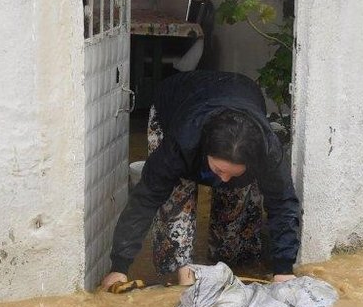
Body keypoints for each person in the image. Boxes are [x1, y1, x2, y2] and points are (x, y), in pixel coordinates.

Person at [101, 71, 300, 291]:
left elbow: (282, 203)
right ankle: (181, 277)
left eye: (233, 173)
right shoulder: (180, 143)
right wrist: (119, 266)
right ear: (205, 151)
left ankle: (226, 267)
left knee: (233, 233)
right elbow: (145, 199)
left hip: (239, 91)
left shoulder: (268, 151)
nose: (223, 180)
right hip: (177, 102)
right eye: (218, 170)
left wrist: (284, 269)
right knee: (176, 203)